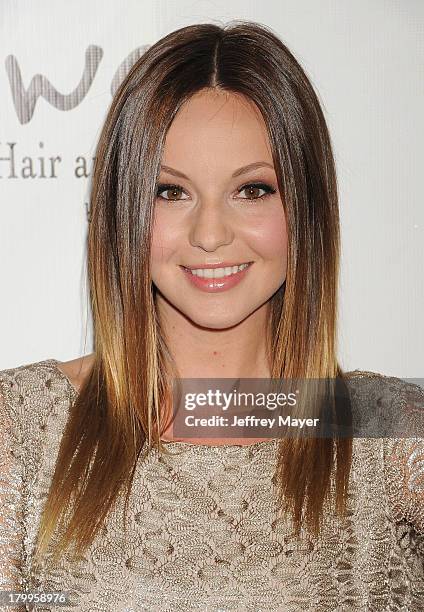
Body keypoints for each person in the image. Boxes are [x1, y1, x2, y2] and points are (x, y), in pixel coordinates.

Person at [0, 20, 423, 612]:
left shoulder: (394, 435)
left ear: (308, 205)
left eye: (252, 190)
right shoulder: (20, 430)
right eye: (169, 192)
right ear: (122, 211)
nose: (209, 235)